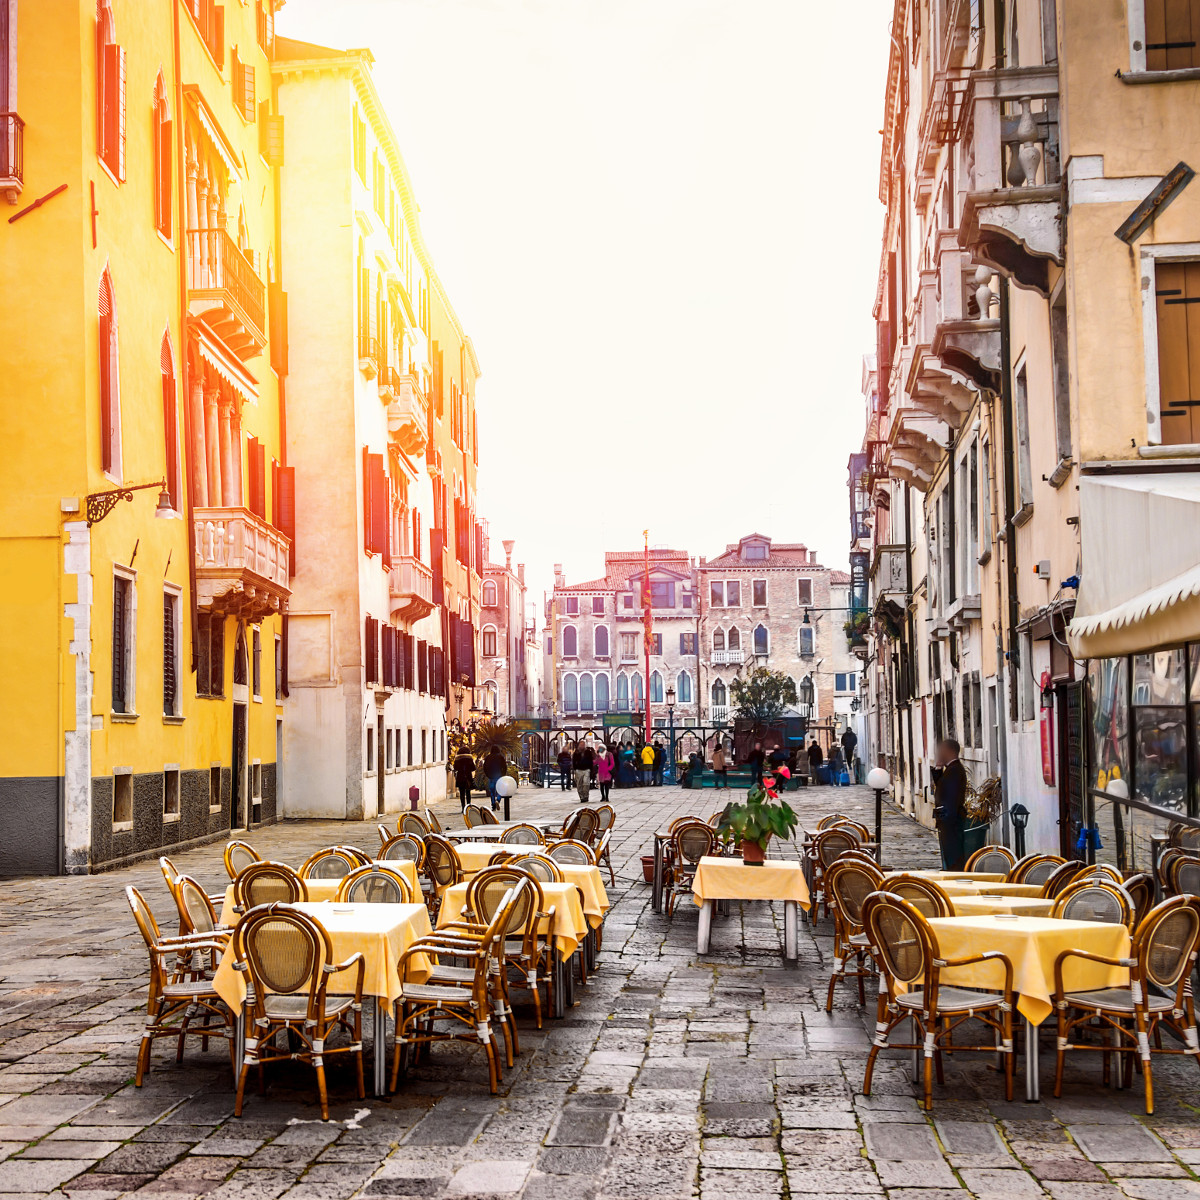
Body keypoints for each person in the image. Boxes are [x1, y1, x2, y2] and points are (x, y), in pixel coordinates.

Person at [932, 737, 968, 871]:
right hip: (947, 820)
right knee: (948, 853)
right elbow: (941, 787)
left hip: (951, 821)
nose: (939, 752)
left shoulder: (954, 770)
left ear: (949, 751)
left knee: (953, 854)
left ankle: (953, 874)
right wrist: (938, 768)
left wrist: (945, 820)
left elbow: (951, 798)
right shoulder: (950, 769)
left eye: (942, 750)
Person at [483, 744, 507, 812]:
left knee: (492, 791)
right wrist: (503, 774)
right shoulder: (500, 757)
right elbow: (504, 766)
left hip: (491, 776)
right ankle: (498, 800)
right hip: (499, 775)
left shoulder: (488, 757)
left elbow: (485, 767)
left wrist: (487, 774)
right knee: (500, 790)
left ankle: (493, 805)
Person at [453, 747, 476, 812]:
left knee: (462, 793)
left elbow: (455, 768)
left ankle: (463, 807)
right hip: (468, 776)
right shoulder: (470, 758)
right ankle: (468, 806)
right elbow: (473, 768)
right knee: (468, 792)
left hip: (460, 777)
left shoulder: (457, 758)